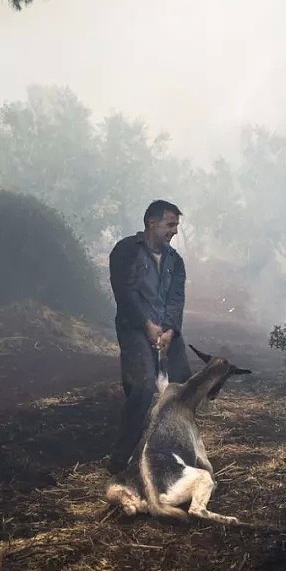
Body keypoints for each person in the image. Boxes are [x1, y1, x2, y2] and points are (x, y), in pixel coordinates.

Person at [107, 199, 192, 472]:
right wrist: (146, 326)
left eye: (176, 225)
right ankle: (120, 461)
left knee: (184, 388)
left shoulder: (175, 261)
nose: (174, 231)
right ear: (151, 223)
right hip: (134, 329)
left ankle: (176, 454)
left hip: (166, 330)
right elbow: (125, 294)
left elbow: (176, 299)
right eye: (170, 224)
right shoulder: (126, 251)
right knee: (142, 389)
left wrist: (169, 330)